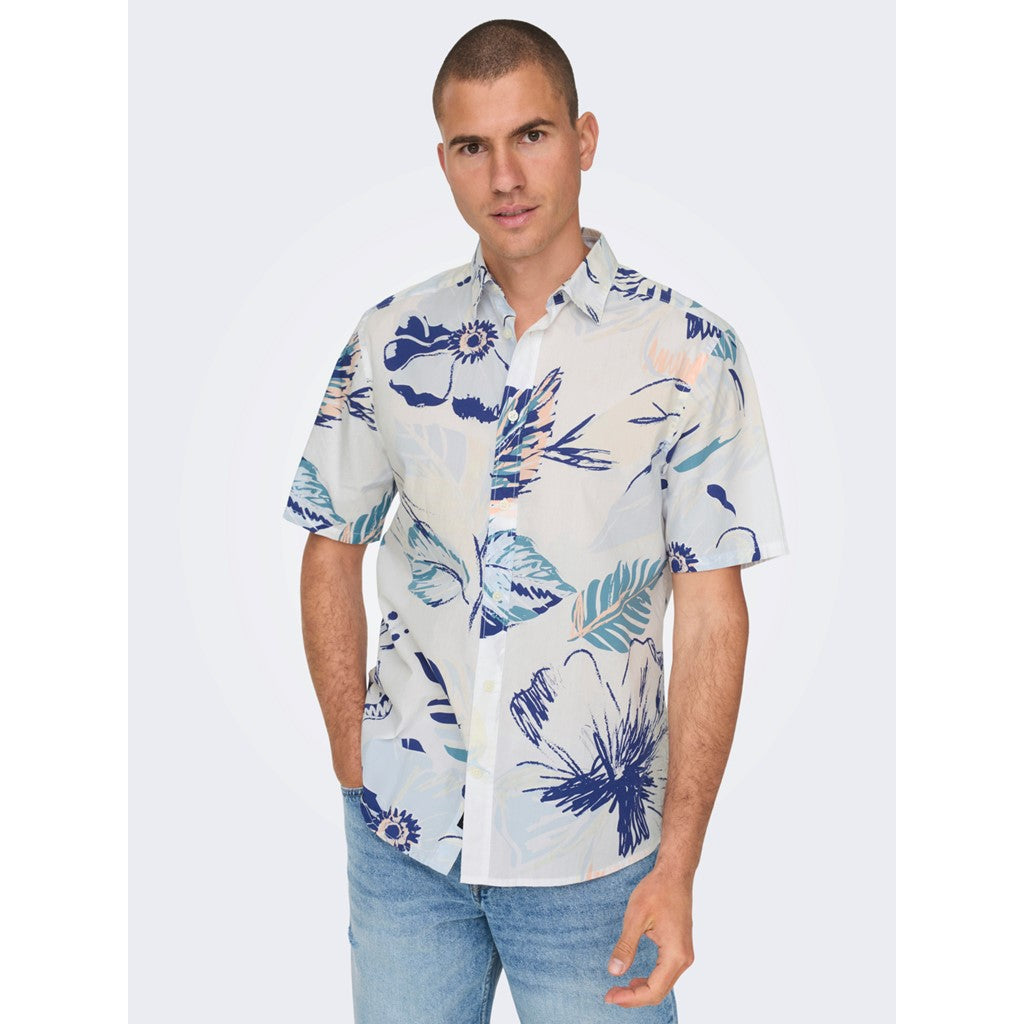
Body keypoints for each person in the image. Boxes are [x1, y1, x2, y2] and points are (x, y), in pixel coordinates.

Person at [282, 18, 789, 1023]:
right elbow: (328, 546)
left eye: (532, 135)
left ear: (584, 140)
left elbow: (712, 612)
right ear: (444, 162)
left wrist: (679, 863)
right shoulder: (391, 339)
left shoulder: (689, 353)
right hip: (405, 850)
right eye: (473, 146)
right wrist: (354, 764)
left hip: (598, 867)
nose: (504, 176)